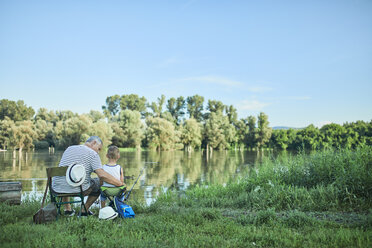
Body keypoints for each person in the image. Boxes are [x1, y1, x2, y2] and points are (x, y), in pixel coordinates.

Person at [52, 136, 124, 216]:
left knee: (68, 176)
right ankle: (84, 210)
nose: (98, 152)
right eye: (99, 149)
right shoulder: (92, 154)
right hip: (78, 189)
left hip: (57, 188)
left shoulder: (69, 148)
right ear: (93, 143)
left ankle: (68, 209)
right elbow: (102, 175)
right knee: (98, 183)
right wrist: (119, 183)